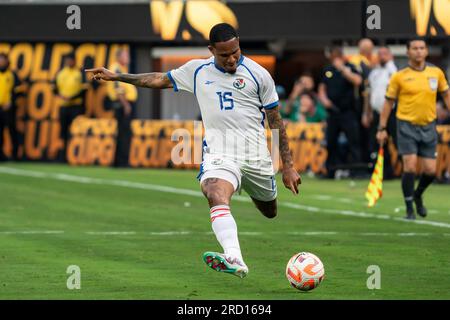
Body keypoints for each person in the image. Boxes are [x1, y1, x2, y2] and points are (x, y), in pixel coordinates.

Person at [86, 23, 301, 278]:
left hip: (255, 155)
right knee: (213, 189)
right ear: (211, 51)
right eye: (224, 55)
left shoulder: (259, 75)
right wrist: (118, 76)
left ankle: (251, 192)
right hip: (220, 153)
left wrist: (287, 165)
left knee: (269, 211)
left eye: (235, 51)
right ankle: (234, 257)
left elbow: (275, 121)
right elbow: (158, 79)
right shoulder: (196, 70)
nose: (232, 59)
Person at [377, 38, 450, 220]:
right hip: (406, 125)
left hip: (429, 126)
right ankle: (409, 207)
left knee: (430, 170)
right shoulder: (399, 76)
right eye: (415, 48)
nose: (419, 51)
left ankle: (418, 195)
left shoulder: (437, 73)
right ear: (408, 52)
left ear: (426, 52)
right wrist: (382, 127)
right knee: (409, 166)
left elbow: (447, 96)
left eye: (422, 48)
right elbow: (388, 104)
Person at [318, 46, 363, 178]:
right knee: (331, 142)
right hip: (333, 112)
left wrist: (343, 69)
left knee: (353, 141)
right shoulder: (328, 70)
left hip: (348, 111)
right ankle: (331, 170)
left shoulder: (351, 67)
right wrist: (324, 99)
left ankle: (356, 170)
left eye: (338, 55)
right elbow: (322, 88)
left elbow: (357, 81)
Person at [367, 46, 397, 178]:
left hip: (392, 112)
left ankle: (407, 171)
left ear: (391, 56)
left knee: (397, 142)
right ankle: (385, 172)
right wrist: (366, 112)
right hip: (376, 112)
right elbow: (369, 94)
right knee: (378, 142)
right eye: (380, 54)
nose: (382, 56)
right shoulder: (374, 73)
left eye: (385, 54)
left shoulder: (394, 71)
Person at [106, 48, 138, 167]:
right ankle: (122, 162)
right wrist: (125, 105)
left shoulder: (120, 68)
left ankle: (119, 161)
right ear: (119, 57)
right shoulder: (116, 69)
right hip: (123, 104)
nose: (128, 59)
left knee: (123, 132)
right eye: (125, 56)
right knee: (124, 133)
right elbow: (118, 89)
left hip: (123, 103)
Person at [54, 52, 86, 161]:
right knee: (63, 131)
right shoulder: (61, 73)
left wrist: (71, 97)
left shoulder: (79, 72)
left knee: (75, 132)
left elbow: (84, 90)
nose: (69, 62)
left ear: (74, 61)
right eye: (67, 60)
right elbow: (54, 88)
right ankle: (63, 156)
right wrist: (60, 95)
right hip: (63, 106)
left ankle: (76, 155)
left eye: (70, 60)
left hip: (76, 106)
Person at [0, 53, 21, 161]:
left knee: (12, 130)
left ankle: (15, 155)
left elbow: (18, 91)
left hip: (9, 108)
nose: (1, 62)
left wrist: (11, 102)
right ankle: (1, 155)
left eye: (3, 60)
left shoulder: (12, 74)